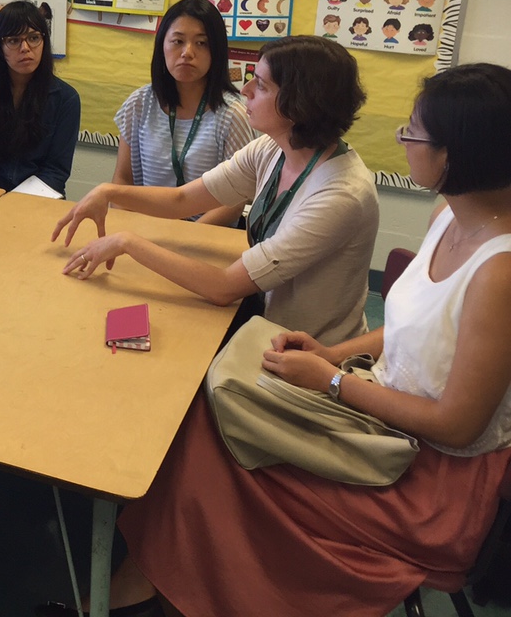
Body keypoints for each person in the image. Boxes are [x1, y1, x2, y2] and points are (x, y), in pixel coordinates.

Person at [108, 63, 511, 617]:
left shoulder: (499, 271)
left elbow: (457, 425)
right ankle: (154, 579)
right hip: (383, 410)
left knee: (210, 453)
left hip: (432, 476)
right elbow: (419, 329)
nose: (403, 141)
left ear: (456, 153)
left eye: (412, 133)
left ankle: (157, 586)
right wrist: (332, 356)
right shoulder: (449, 214)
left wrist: (334, 381)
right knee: (202, 423)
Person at [54, 36, 378, 345]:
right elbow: (183, 200)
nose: (246, 90)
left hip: (307, 353)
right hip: (262, 321)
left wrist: (126, 241)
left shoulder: (339, 194)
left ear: (300, 103)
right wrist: (109, 192)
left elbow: (223, 288)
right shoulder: (272, 147)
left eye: (261, 85)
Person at [112, 0, 254, 226]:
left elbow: (235, 200)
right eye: (177, 41)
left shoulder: (232, 114)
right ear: (162, 46)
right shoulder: (139, 103)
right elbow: (122, 178)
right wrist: (124, 227)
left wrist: (184, 238)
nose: (187, 53)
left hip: (203, 236)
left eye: (201, 43)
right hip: (143, 229)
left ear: (216, 51)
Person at [0, 0, 80, 196]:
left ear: (44, 41)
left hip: (37, 200)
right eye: (14, 40)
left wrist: (13, 205)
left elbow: (55, 170)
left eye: (34, 37)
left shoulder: (66, 99)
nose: (25, 48)